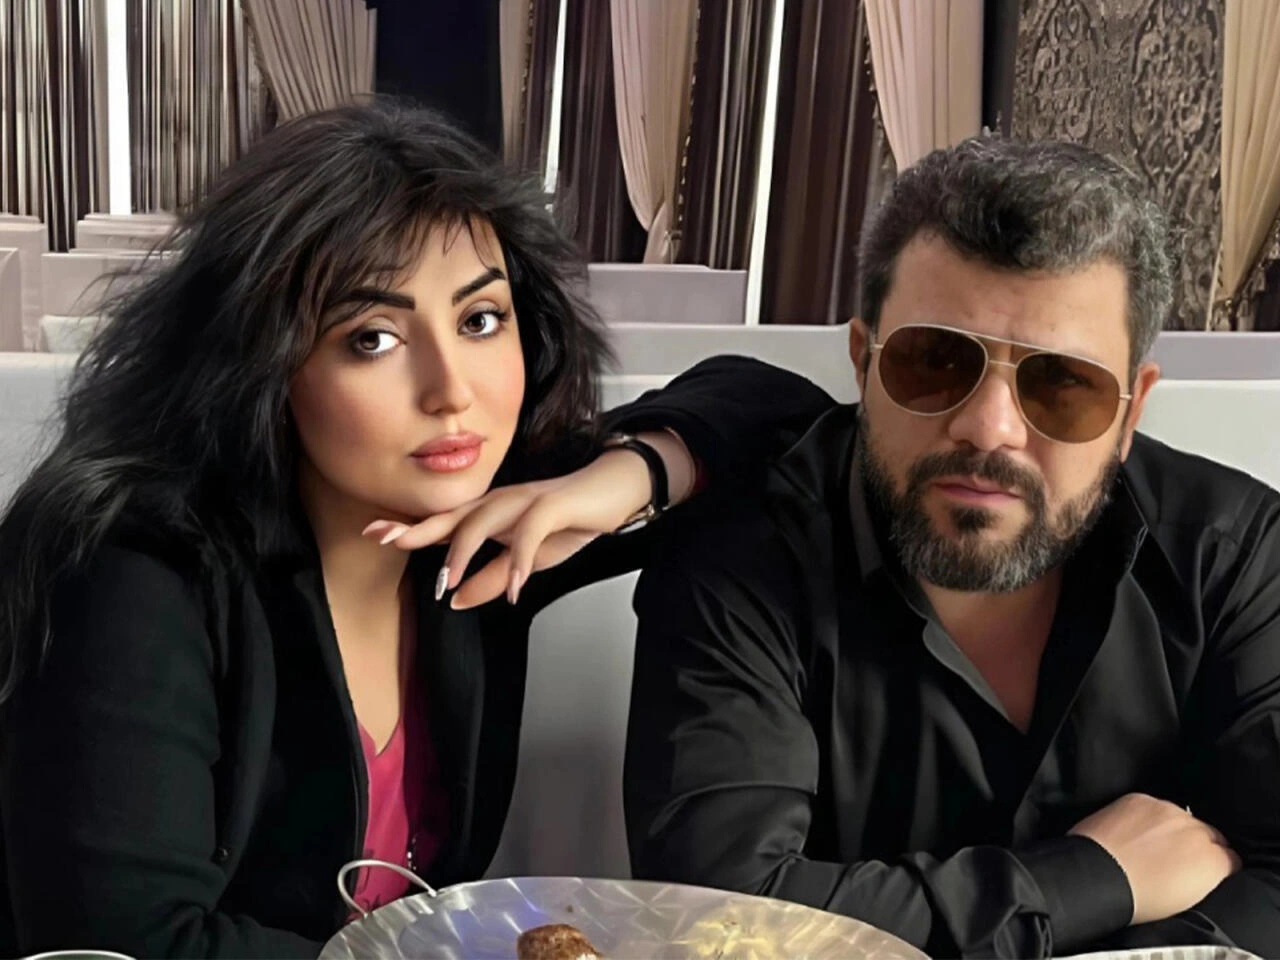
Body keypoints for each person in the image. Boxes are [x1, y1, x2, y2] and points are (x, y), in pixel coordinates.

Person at [0, 100, 831, 958]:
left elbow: (786, 411)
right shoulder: (134, 568)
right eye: (373, 338)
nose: (452, 390)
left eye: (480, 320)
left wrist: (626, 478)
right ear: (262, 360)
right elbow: (123, 943)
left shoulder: (489, 526)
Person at [625, 138, 1280, 959]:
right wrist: (1088, 879)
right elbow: (716, 919)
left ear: (1129, 413)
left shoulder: (1230, 556)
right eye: (933, 363)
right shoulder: (744, 555)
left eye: (1061, 384)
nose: (988, 427)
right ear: (863, 365)